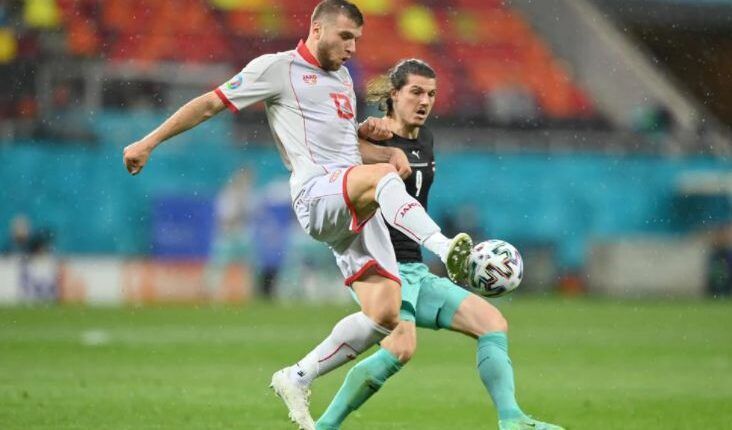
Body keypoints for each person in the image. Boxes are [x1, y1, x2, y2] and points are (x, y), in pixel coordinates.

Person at [121, 2, 474, 428]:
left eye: (357, 40)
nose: (352, 47)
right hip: (316, 194)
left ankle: (297, 376)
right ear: (316, 28)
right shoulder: (277, 69)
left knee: (385, 314)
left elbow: (346, 148)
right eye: (345, 36)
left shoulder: (343, 79)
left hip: (349, 199)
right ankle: (443, 245)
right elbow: (210, 104)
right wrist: (149, 142)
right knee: (381, 179)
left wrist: (384, 147)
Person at [314, 60, 565, 430]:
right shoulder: (370, 140)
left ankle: (511, 420)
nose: (425, 101)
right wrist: (361, 132)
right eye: (415, 92)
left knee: (492, 323)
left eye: (431, 93)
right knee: (400, 349)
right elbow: (330, 148)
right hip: (384, 269)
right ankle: (324, 426)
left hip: (415, 268)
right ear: (393, 94)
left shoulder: (425, 138)